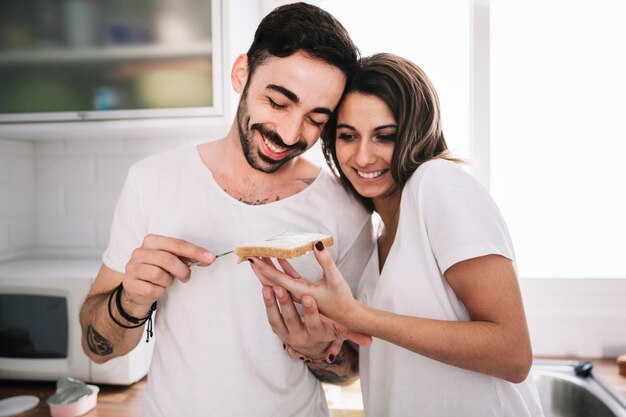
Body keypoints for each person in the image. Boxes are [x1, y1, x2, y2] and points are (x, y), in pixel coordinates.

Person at [79, 4, 375, 416]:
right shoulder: (152, 181)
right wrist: (129, 302)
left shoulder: (348, 210)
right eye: (278, 102)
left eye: (316, 118)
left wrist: (318, 350)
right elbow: (97, 347)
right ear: (241, 74)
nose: (289, 134)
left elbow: (354, 369)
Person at [249, 53, 546, 417]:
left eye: (384, 136)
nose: (363, 156)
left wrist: (357, 315)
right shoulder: (377, 234)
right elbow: (363, 365)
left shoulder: (438, 184)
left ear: (415, 133)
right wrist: (317, 347)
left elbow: (513, 354)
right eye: (347, 136)